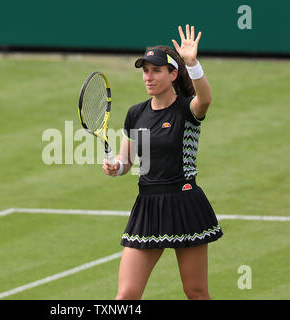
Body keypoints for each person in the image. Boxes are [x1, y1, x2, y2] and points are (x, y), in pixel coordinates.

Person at [102, 25, 223, 300]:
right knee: (126, 295)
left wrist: (192, 63)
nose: (148, 76)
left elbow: (206, 98)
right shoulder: (136, 113)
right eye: (145, 70)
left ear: (172, 74)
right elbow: (126, 160)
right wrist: (116, 167)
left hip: (185, 203)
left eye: (156, 70)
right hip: (148, 206)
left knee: (195, 291)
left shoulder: (187, 109)